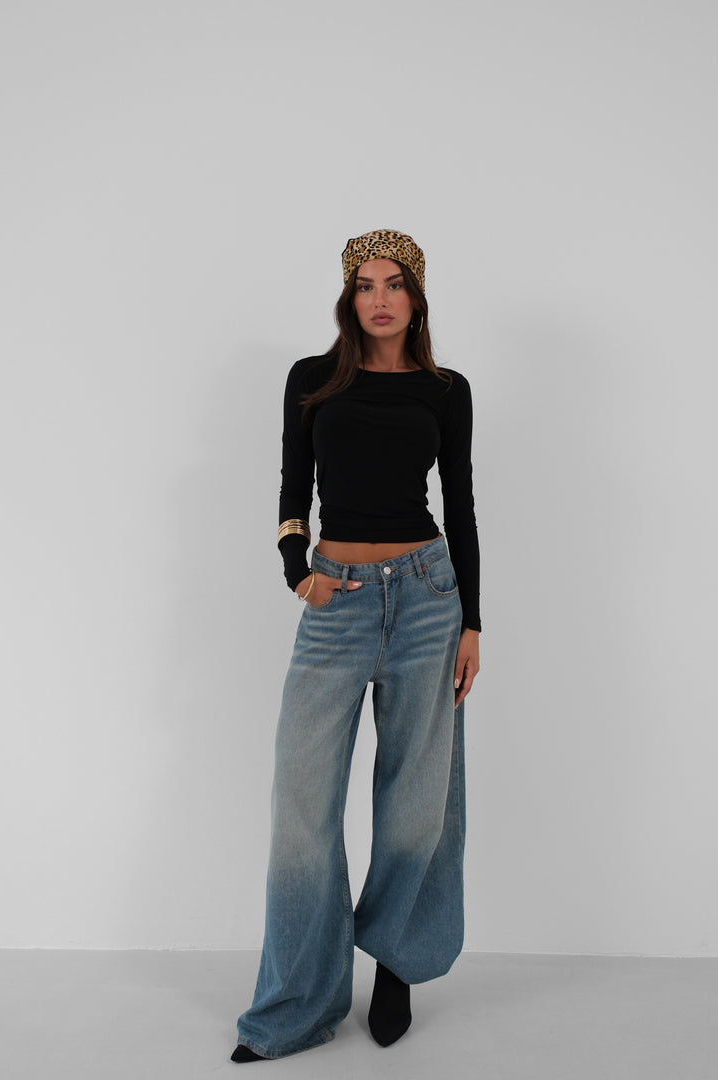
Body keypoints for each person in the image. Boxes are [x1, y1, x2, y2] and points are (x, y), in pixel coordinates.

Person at [231, 228, 481, 1063]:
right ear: (349, 298)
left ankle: (397, 965)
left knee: (417, 802)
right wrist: (295, 570)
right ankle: (297, 1003)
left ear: (416, 298)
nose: (379, 299)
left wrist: (472, 623)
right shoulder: (313, 379)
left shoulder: (446, 389)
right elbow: (291, 481)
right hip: (334, 599)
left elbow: (461, 505)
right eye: (365, 285)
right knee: (301, 807)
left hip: (428, 598)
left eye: (394, 284)